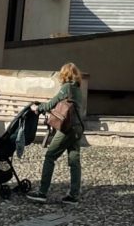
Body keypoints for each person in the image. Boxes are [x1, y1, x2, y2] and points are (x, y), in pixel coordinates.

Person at [25, 63, 86, 205]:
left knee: (50, 156)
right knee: (74, 160)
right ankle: (73, 195)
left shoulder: (67, 87)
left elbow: (52, 103)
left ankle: (42, 193)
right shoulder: (78, 89)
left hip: (67, 129)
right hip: (78, 128)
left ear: (64, 75)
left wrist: (37, 108)